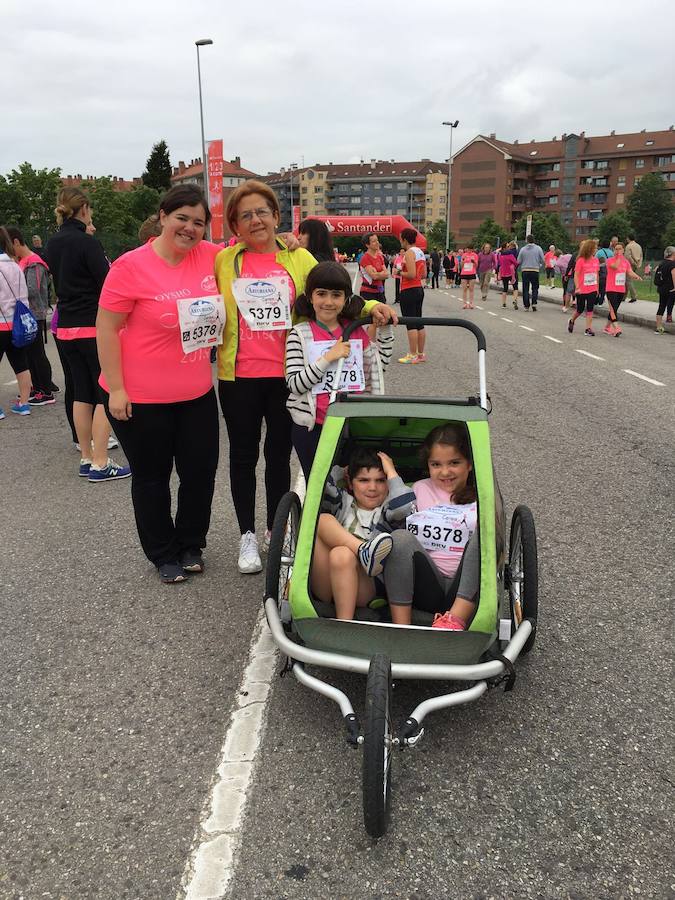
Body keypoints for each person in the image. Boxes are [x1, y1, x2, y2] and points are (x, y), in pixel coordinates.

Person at [214, 180, 395, 574]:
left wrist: (376, 307)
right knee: (242, 457)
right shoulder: (224, 261)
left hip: (288, 375)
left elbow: (338, 295)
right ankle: (246, 534)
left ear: (277, 216)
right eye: (245, 215)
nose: (255, 220)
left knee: (278, 457)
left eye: (262, 211)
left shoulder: (298, 259)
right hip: (238, 376)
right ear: (234, 224)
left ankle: (275, 530)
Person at [97, 185, 221, 584]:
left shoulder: (212, 257)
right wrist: (116, 388)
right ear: (163, 216)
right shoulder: (130, 266)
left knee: (200, 473)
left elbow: (254, 259)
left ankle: (190, 543)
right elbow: (106, 328)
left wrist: (284, 242)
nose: (189, 228)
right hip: (140, 396)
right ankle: (162, 552)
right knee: (152, 478)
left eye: (198, 222)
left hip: (197, 392)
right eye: (182, 218)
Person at [46, 186, 128, 481]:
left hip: (65, 325)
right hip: (93, 325)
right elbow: (108, 283)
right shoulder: (87, 242)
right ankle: (101, 461)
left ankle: (85, 456)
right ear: (84, 209)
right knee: (105, 391)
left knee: (80, 392)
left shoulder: (52, 244)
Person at [285, 261, 393, 480]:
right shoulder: (300, 334)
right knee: (320, 487)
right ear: (310, 297)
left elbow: (377, 368)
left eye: (336, 295)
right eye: (321, 294)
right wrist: (328, 358)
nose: (328, 302)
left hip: (353, 426)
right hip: (313, 428)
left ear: (345, 299)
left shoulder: (355, 331)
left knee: (353, 487)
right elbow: (295, 384)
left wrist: (386, 330)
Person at [379, 423, 481, 629]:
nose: (445, 472)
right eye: (436, 465)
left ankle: (454, 620)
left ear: (469, 464)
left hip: (465, 587)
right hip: (426, 583)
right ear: (428, 465)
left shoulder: (481, 495)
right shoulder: (419, 488)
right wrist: (391, 472)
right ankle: (402, 628)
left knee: (485, 533)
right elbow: (399, 511)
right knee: (400, 537)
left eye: (454, 463)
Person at [310, 448, 415, 620]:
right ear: (350, 483)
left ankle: (344, 622)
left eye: (380, 480)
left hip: (366, 586)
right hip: (327, 583)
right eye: (364, 480)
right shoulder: (343, 502)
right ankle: (362, 550)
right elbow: (319, 485)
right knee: (322, 519)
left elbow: (405, 507)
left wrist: (392, 473)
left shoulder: (388, 510)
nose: (372, 487)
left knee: (341, 553)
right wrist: (341, 471)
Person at [7, 227, 55, 405]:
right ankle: (37, 386)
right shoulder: (23, 261)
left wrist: (12, 292)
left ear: (16, 242)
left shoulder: (34, 262)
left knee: (37, 353)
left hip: (34, 313)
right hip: (25, 314)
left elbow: (33, 290)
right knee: (29, 354)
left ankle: (46, 390)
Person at [0, 226, 32, 417]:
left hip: (0, 322)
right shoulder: (15, 264)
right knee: (21, 364)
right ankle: (24, 404)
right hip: (18, 324)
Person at [397, 227, 427, 363]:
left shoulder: (409, 253)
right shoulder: (420, 251)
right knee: (419, 322)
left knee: (410, 323)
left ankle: (412, 354)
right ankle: (420, 354)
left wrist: (399, 273)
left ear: (404, 239)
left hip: (408, 289)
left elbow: (411, 274)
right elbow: (424, 274)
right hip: (419, 288)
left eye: (401, 238)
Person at [604, 243, 642, 336]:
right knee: (613, 309)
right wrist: (618, 257)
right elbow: (615, 266)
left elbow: (629, 271)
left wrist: (637, 276)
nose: (618, 251)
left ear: (623, 250)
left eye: (620, 249)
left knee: (614, 309)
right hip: (611, 289)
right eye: (616, 249)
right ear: (613, 250)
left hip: (621, 289)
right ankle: (617, 328)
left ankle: (607, 327)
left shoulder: (625, 262)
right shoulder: (609, 260)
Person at [568, 239, 599, 336]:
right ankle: (572, 320)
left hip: (592, 288)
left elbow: (596, 274)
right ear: (589, 249)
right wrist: (577, 287)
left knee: (590, 309)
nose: (596, 249)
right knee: (580, 309)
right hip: (582, 289)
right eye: (594, 248)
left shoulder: (596, 260)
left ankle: (588, 329)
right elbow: (576, 275)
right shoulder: (580, 260)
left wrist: (597, 287)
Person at [517, 235, 545, 311]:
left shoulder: (522, 249)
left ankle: (526, 305)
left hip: (525, 270)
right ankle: (534, 302)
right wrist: (539, 263)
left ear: (526, 240)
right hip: (535, 270)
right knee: (535, 287)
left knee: (525, 288)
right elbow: (543, 259)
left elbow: (518, 261)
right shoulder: (538, 248)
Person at [358, 233, 388, 303]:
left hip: (380, 291)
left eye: (377, 240)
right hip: (368, 292)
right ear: (367, 245)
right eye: (374, 241)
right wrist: (380, 274)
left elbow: (386, 274)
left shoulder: (380, 256)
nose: (377, 243)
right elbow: (374, 276)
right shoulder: (365, 258)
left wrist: (378, 273)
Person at [654, 246, 675, 334]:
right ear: (673, 254)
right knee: (669, 304)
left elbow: (656, 271)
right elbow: (674, 276)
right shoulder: (673, 264)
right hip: (671, 289)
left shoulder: (662, 263)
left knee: (661, 306)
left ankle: (659, 327)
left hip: (662, 288)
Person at [624, 234, 644, 303]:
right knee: (627, 280)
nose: (626, 240)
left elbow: (628, 257)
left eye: (627, 238)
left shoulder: (628, 246)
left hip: (630, 265)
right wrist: (638, 264)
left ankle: (633, 296)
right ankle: (624, 296)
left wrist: (633, 263)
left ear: (628, 238)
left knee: (628, 280)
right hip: (636, 264)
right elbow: (641, 256)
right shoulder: (639, 246)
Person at [459, 243, 479, 308]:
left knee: (471, 289)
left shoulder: (475, 255)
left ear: (472, 249)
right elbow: (461, 265)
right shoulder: (464, 255)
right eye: (468, 249)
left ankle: (471, 303)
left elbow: (476, 266)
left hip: (472, 273)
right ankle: (464, 303)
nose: (469, 250)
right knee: (464, 289)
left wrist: (474, 262)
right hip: (464, 273)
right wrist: (463, 261)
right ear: (466, 249)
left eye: (470, 249)